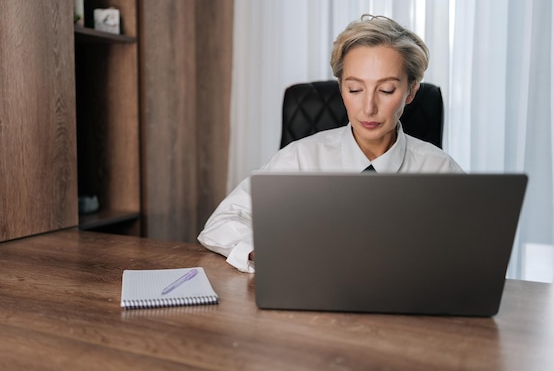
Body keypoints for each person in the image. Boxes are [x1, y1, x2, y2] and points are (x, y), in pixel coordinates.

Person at [197, 14, 463, 273]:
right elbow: (220, 224)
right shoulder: (300, 159)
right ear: (341, 88)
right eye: (355, 89)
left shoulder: (439, 168)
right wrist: (271, 249)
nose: (368, 108)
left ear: (411, 91)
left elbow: (469, 250)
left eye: (386, 90)